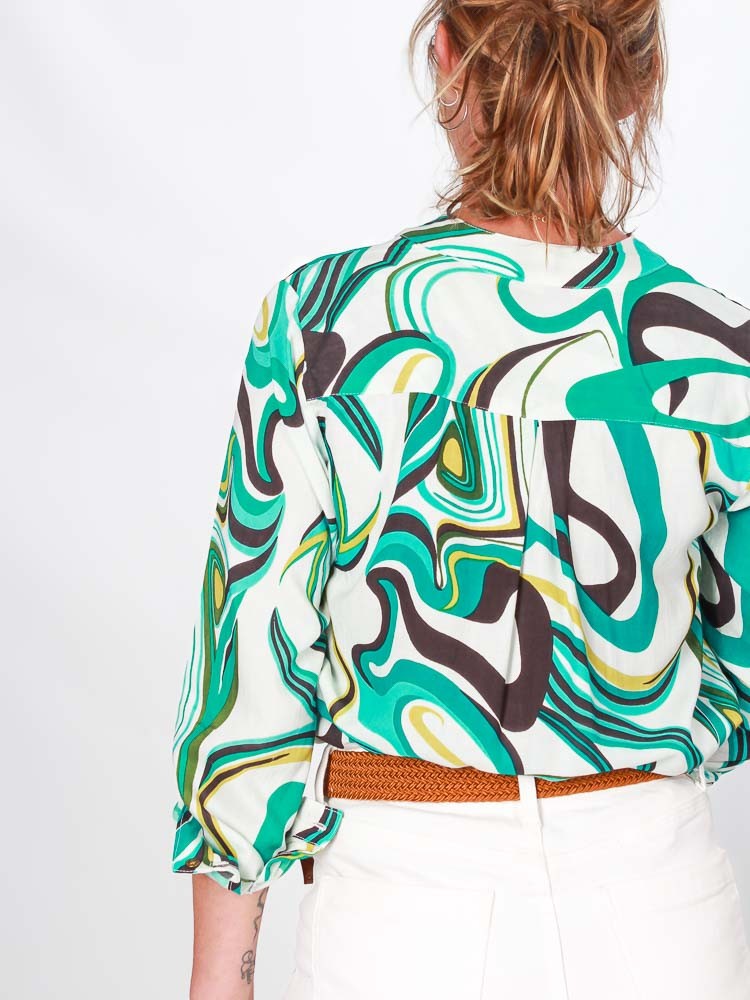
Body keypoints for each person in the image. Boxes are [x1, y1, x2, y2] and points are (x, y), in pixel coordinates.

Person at [171, 1, 750, 997]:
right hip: (655, 908)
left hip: (400, 911)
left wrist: (220, 980)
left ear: (445, 57)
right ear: (641, 78)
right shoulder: (713, 351)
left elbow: (250, 684)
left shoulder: (324, 327)